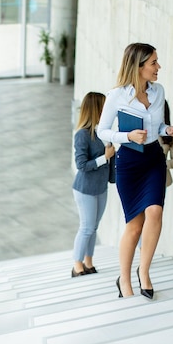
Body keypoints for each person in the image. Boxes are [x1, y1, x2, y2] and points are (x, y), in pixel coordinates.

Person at [98, 43, 173, 298]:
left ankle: (144, 271)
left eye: (157, 62)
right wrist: (127, 136)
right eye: (153, 63)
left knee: (155, 212)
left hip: (153, 160)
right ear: (138, 67)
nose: (158, 67)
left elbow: (157, 127)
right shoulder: (116, 96)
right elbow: (102, 131)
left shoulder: (159, 92)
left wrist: (168, 130)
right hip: (129, 162)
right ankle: (123, 279)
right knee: (135, 225)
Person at [71, 92, 115, 277]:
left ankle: (88, 262)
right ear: (96, 109)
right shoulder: (82, 134)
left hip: (101, 187)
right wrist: (104, 158)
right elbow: (81, 165)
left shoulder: (104, 133)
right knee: (86, 227)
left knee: (94, 227)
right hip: (85, 188)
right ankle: (77, 266)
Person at [159, 100, 173, 187]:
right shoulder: (140, 130)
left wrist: (163, 164)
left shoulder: (171, 133)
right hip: (140, 178)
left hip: (161, 180)